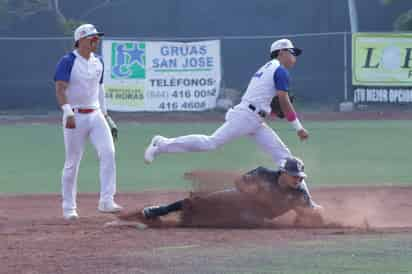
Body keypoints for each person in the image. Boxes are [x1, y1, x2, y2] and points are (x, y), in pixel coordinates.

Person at [144, 38, 316, 202]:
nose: (294, 57)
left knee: (285, 158)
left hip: (253, 119)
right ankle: (162, 144)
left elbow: (261, 99)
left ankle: (307, 202)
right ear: (281, 52)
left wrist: (269, 112)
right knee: (211, 143)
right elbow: (284, 101)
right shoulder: (279, 70)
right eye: (292, 52)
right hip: (246, 116)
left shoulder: (267, 68)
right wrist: (298, 127)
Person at [116, 157, 324, 228]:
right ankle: (158, 211)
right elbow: (239, 181)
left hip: (257, 216)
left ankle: (193, 222)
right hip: (239, 198)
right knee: (201, 201)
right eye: (294, 175)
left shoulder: (300, 195)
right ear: (283, 173)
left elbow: (310, 212)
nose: (297, 180)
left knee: (248, 221)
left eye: (300, 177)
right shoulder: (264, 173)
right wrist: (252, 193)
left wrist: (309, 216)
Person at [54, 24, 122, 220]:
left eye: (97, 37)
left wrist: (108, 117)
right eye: (93, 37)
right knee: (72, 162)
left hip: (96, 114)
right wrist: (67, 112)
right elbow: (60, 88)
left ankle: (106, 201)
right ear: (81, 40)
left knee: (108, 152)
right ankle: (69, 208)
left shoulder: (98, 61)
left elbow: (100, 90)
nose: (96, 40)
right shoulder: (68, 61)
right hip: (75, 115)